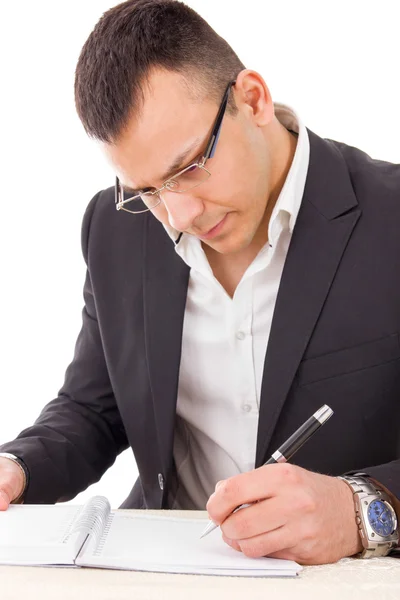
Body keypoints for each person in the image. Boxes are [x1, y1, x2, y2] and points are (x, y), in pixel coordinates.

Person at [0, 0, 399, 565]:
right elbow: (94, 407)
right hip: (164, 568)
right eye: (148, 190)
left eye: (189, 167)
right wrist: (15, 467)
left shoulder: (391, 217)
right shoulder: (116, 226)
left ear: (253, 99)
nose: (179, 215)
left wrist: (363, 509)